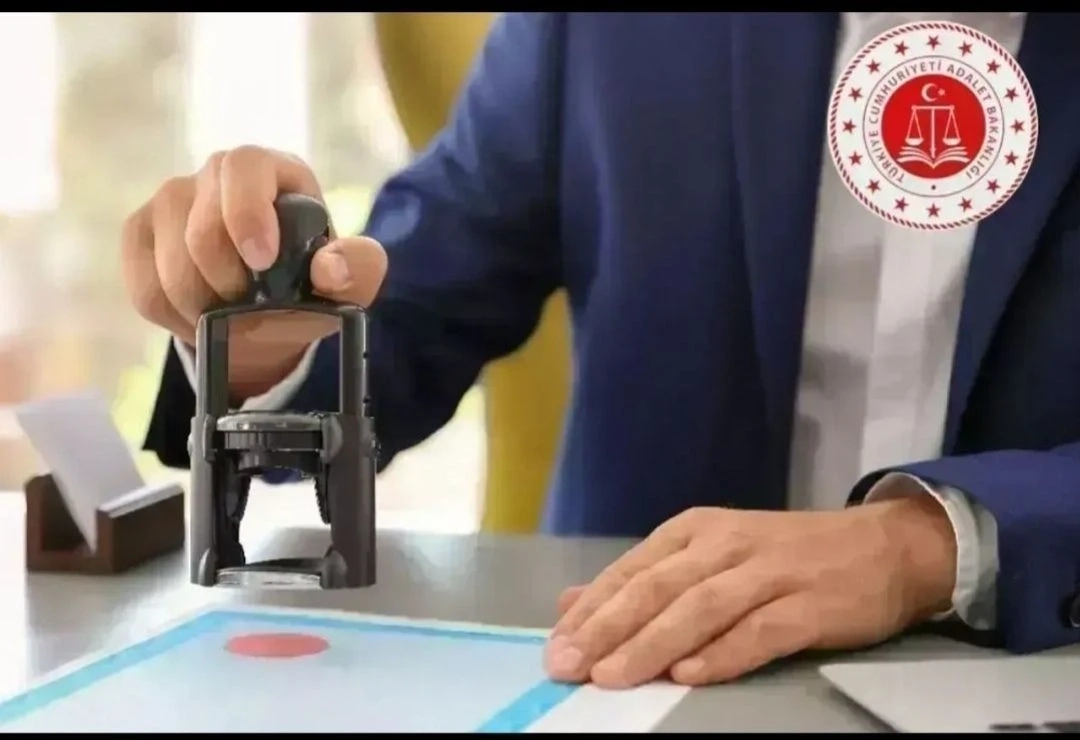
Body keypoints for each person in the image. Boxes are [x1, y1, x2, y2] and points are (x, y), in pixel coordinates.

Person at [124, 12, 1080, 690]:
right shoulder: (605, 28)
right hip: (626, 673)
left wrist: (928, 546)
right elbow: (405, 318)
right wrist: (265, 324)